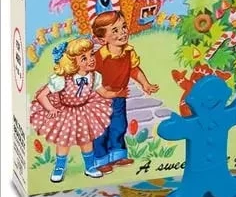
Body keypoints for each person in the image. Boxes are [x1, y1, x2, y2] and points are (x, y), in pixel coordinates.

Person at [29, 38, 126, 183]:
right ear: (73, 62)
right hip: (66, 112)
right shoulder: (62, 79)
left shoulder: (94, 76)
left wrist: (116, 94)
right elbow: (42, 95)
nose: (91, 59)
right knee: (63, 142)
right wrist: (51, 108)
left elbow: (103, 93)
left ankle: (90, 167)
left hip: (85, 111)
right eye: (84, 58)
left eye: (91, 54)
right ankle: (59, 167)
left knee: (86, 140)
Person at [91, 11, 159, 173]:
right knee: (101, 130)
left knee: (119, 125)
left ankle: (117, 154)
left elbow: (134, 70)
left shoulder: (128, 52)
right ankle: (101, 159)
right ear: (102, 39)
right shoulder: (99, 57)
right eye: (115, 30)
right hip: (99, 100)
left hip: (119, 96)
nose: (122, 33)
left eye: (123, 27)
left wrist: (145, 84)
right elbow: (90, 77)